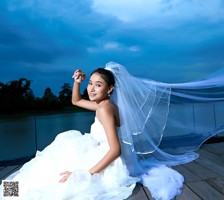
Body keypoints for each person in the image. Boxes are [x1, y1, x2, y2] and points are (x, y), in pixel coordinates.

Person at [0, 68, 140, 199]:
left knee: (51, 178)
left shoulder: (104, 109)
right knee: (49, 166)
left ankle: (10, 193)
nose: (91, 89)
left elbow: (115, 149)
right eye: (90, 83)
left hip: (105, 157)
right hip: (98, 150)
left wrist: (86, 174)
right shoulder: (104, 105)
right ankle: (11, 191)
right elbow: (76, 100)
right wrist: (77, 82)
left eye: (98, 85)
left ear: (109, 88)